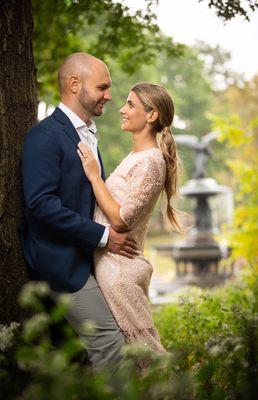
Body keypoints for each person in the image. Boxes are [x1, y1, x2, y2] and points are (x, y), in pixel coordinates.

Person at [19, 53, 139, 369]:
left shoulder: (86, 133)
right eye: (102, 87)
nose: (109, 96)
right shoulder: (45, 136)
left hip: (87, 261)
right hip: (60, 263)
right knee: (109, 346)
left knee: (80, 361)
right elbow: (40, 205)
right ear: (75, 84)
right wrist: (103, 237)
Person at [77, 82, 184, 354]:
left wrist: (93, 175)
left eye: (131, 105)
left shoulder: (150, 161)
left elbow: (121, 220)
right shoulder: (135, 157)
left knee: (145, 357)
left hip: (119, 274)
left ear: (151, 116)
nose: (122, 110)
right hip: (110, 267)